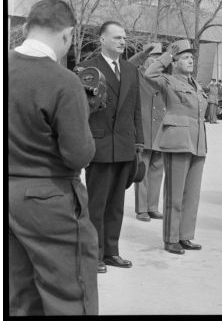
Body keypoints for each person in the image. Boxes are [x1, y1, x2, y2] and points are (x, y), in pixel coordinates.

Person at [9, 0, 98, 315]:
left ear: (26, 28)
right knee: (69, 294)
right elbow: (78, 155)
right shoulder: (63, 81)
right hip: (49, 199)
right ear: (67, 34)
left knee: (20, 297)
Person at [79, 21, 144, 273]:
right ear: (102, 40)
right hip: (99, 144)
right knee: (96, 205)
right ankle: (94, 255)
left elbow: (136, 109)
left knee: (117, 204)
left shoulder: (130, 70)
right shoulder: (87, 67)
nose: (122, 42)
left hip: (124, 145)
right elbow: (80, 110)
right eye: (117, 37)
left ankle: (111, 252)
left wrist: (139, 142)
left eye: (124, 38)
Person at [145, 40, 208, 255]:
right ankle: (171, 238)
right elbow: (149, 74)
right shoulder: (168, 80)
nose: (190, 61)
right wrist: (167, 56)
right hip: (177, 142)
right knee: (175, 194)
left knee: (192, 195)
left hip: (198, 143)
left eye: (191, 58)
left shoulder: (196, 85)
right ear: (175, 62)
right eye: (185, 57)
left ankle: (185, 236)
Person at [129, 42, 166, 222]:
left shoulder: (164, 79)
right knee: (142, 171)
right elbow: (127, 64)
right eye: (152, 57)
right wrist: (142, 54)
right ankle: (142, 209)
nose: (155, 60)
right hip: (143, 129)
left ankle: (152, 207)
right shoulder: (136, 74)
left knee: (157, 170)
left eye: (158, 58)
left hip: (160, 131)